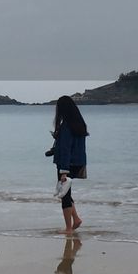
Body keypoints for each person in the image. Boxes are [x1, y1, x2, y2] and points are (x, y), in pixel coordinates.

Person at [50, 95, 87, 234]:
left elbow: (66, 149)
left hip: (66, 164)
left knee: (64, 195)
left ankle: (69, 228)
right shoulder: (80, 124)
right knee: (66, 192)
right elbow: (77, 147)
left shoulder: (66, 126)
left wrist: (63, 171)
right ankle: (76, 219)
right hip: (78, 162)